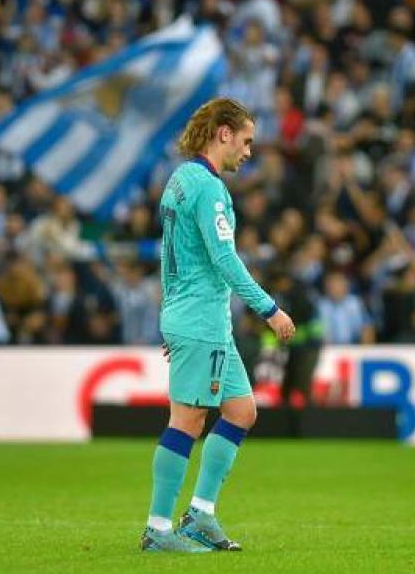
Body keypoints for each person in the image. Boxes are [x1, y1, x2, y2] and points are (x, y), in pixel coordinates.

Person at [141, 98, 295, 553]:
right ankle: (158, 530)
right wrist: (270, 309)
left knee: (242, 411)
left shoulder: (179, 180)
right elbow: (224, 258)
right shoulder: (210, 190)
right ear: (223, 133)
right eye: (245, 141)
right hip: (201, 321)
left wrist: (172, 318)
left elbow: (170, 255)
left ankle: (200, 515)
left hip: (198, 320)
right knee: (188, 421)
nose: (248, 152)